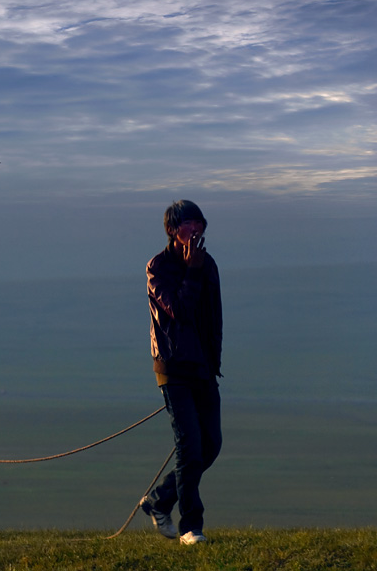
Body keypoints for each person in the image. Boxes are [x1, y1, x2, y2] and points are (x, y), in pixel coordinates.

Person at [140, 200, 222, 545]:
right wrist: (191, 270)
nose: (197, 231)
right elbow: (179, 311)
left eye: (200, 224)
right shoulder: (158, 267)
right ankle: (192, 527)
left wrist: (214, 362)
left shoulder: (208, 264)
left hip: (203, 368)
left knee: (210, 445)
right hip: (172, 368)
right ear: (174, 230)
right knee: (189, 446)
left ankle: (159, 500)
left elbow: (213, 317)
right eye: (189, 225)